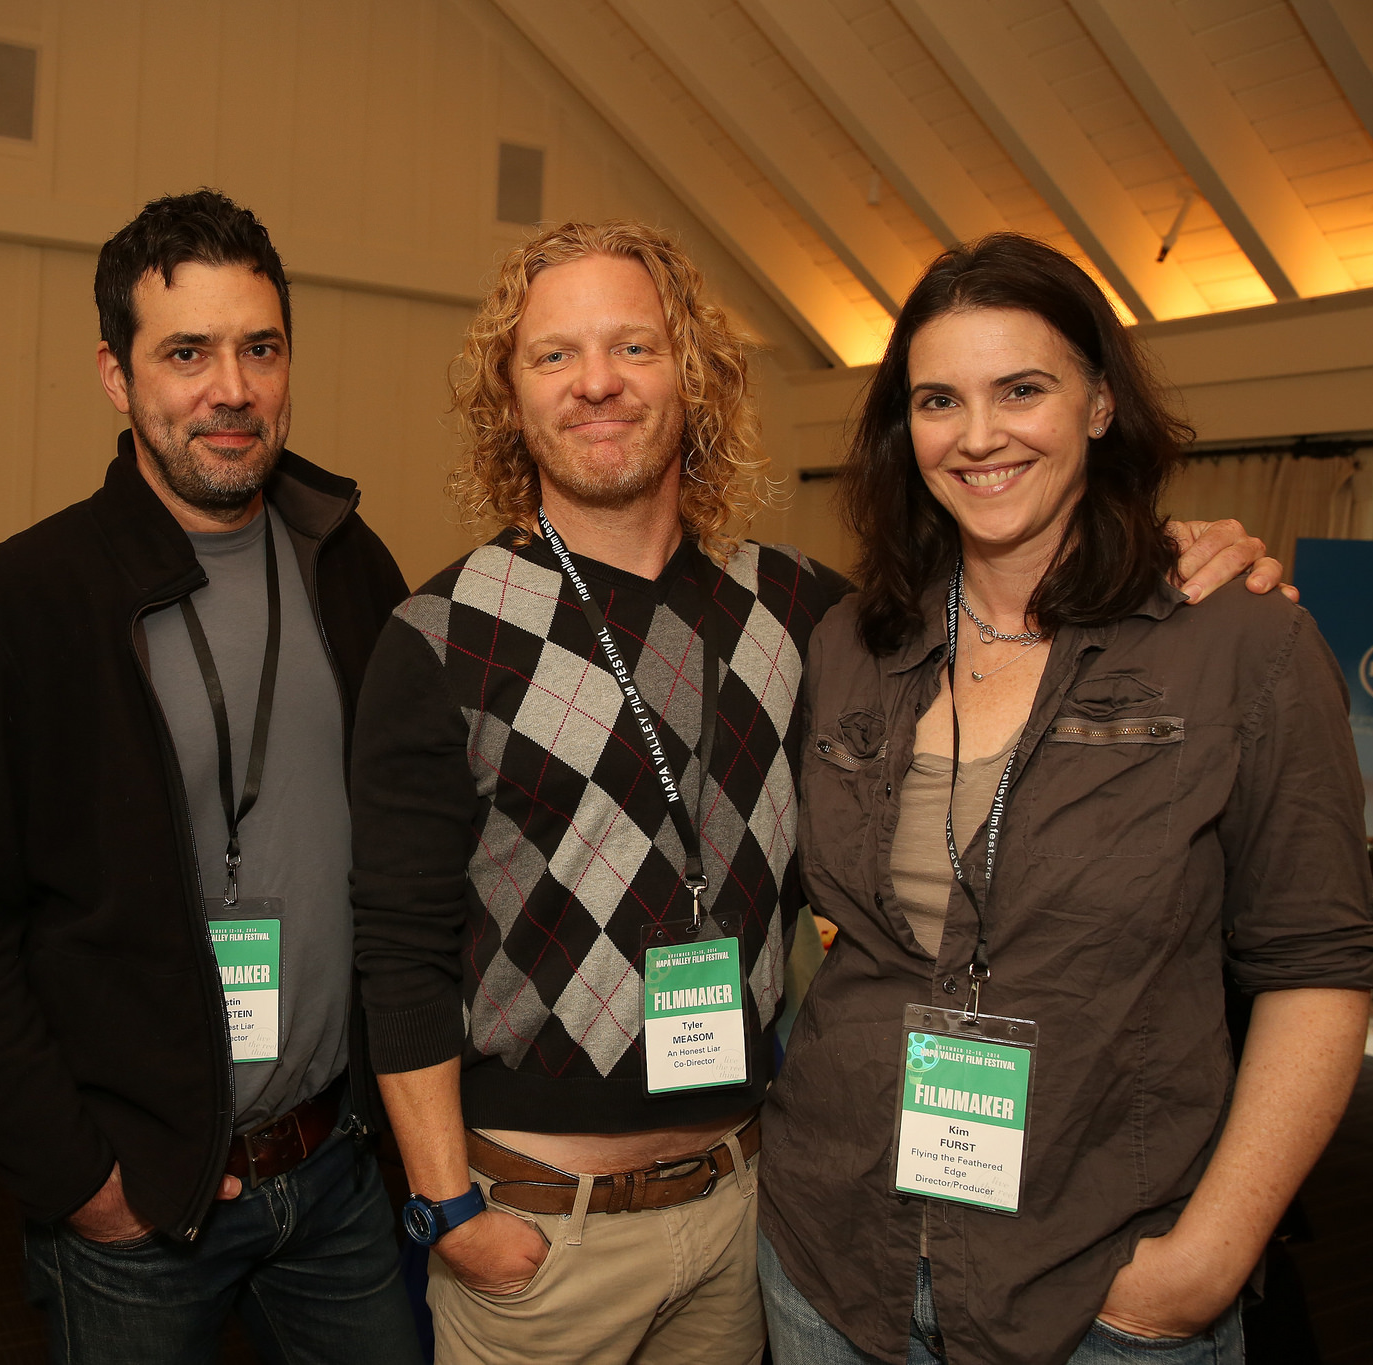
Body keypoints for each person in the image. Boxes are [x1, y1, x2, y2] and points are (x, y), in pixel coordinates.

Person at [348, 220, 1284, 1365]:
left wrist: (1178, 553)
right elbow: (394, 946)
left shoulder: (808, 614)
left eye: (633, 347)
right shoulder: (438, 634)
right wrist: (450, 1212)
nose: (596, 383)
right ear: (510, 392)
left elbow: (1011, 591)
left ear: (692, 376)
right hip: (540, 1229)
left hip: (751, 1206)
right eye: (553, 356)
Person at [758, 232, 1373, 1365]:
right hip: (828, 1260)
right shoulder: (852, 641)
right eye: (939, 399)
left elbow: (1315, 968)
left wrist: (1207, 1259)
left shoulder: (1240, 641)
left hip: (1095, 1289)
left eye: (1022, 389)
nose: (979, 434)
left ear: (1098, 403)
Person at [0, 190, 421, 1365]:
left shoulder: (349, 565)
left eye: (259, 347)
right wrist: (77, 1179)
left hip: (334, 1170)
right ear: (115, 374)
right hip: (134, 1205)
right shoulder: (19, 604)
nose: (230, 388)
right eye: (185, 353)